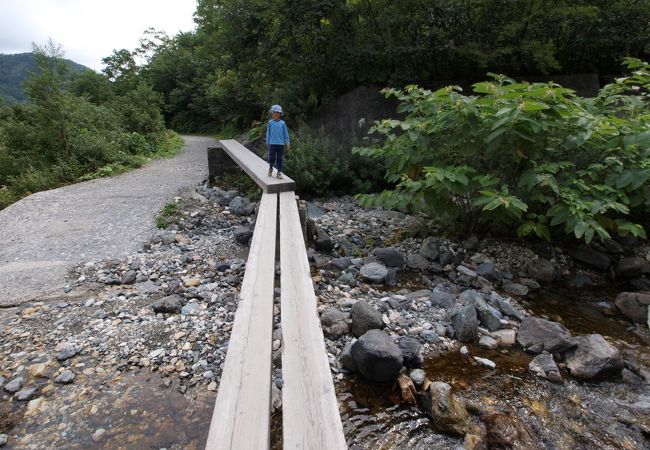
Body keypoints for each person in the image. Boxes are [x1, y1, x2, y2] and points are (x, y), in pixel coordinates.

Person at [266, 104, 291, 179]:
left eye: (277, 113)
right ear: (272, 114)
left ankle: (279, 172)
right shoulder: (270, 123)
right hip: (272, 144)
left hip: (280, 144)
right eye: (274, 113)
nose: (275, 114)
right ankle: (271, 168)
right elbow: (268, 133)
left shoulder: (282, 123)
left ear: (280, 114)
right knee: (271, 158)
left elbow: (285, 134)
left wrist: (288, 144)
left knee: (280, 159)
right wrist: (267, 142)